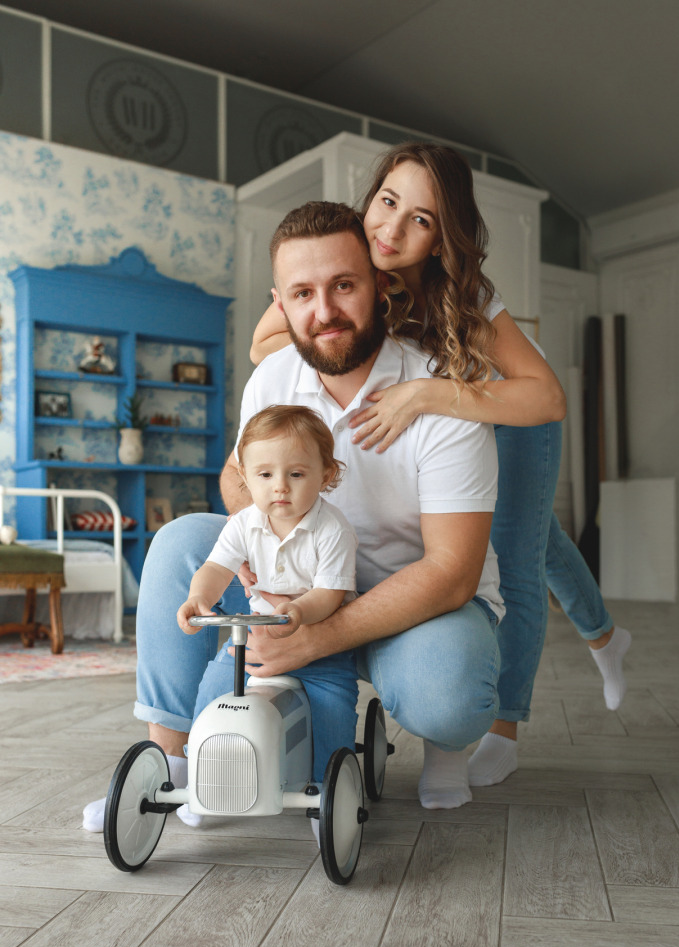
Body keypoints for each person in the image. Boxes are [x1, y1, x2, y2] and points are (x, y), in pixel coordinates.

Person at [82, 198, 503, 832]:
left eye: (343, 285)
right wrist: (255, 548)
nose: (324, 311)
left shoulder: (439, 390)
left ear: (381, 284)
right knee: (179, 543)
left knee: (450, 693)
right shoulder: (273, 376)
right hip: (292, 581)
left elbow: (452, 572)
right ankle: (171, 767)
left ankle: (445, 748)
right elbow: (236, 473)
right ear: (280, 302)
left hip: (413, 603)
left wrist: (319, 632)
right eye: (302, 293)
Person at [251, 141, 631, 789]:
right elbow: (267, 345)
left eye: (421, 219)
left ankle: (505, 726)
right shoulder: (342, 253)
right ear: (370, 199)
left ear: (442, 234)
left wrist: (429, 392)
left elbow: (546, 395)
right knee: (543, 536)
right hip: (444, 415)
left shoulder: (461, 293)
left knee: (515, 553)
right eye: (388, 202)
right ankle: (605, 636)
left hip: (504, 405)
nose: (393, 229)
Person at [175, 404, 359, 826]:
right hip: (254, 640)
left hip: (320, 643)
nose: (280, 487)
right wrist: (197, 598)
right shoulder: (243, 523)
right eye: (265, 475)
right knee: (213, 691)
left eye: (296, 474)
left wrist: (298, 610)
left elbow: (330, 593)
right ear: (245, 476)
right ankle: (201, 772)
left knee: (332, 709)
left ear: (326, 475)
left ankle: (328, 791)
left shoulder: (333, 529)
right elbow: (216, 569)